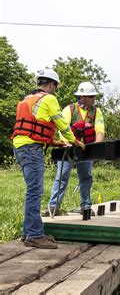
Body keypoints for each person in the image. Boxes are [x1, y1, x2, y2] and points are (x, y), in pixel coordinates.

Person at [12, 69, 86, 249]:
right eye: (55, 86)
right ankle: (34, 235)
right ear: (52, 84)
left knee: (33, 190)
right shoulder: (49, 99)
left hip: (20, 146)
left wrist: (54, 142)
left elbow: (32, 127)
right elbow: (62, 124)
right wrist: (74, 141)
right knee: (35, 191)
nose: (55, 89)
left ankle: (29, 231)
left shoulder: (27, 99)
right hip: (31, 149)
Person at [47, 81, 105, 216]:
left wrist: (96, 147)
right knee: (61, 176)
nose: (93, 99)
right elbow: (62, 128)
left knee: (86, 177)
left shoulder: (97, 112)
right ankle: (53, 206)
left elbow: (100, 130)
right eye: (91, 97)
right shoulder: (69, 109)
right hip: (68, 148)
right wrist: (67, 143)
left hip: (86, 150)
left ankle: (86, 206)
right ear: (83, 97)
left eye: (93, 97)